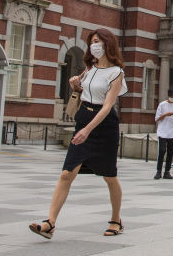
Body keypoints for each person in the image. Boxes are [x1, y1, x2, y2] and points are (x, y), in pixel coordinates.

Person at [29, 28, 127, 239]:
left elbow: (108, 105)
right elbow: (85, 94)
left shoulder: (116, 72)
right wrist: (76, 87)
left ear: (108, 45)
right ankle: (50, 223)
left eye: (98, 41)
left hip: (104, 126)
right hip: (84, 117)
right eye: (92, 42)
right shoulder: (89, 69)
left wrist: (88, 129)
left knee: (110, 176)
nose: (94, 45)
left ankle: (116, 219)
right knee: (67, 174)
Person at [154, 87, 173, 179]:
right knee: (162, 151)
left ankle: (167, 172)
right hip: (162, 131)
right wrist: (165, 115)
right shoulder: (162, 105)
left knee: (170, 152)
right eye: (171, 97)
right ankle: (158, 171)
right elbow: (157, 119)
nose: (172, 99)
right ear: (168, 95)